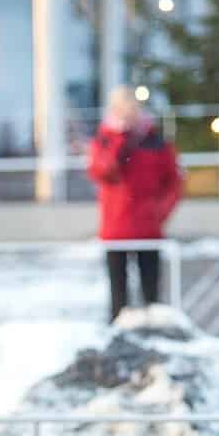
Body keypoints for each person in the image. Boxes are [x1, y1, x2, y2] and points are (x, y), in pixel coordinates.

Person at [87, 86, 183, 321]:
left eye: (131, 106)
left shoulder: (155, 140)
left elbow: (174, 181)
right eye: (121, 107)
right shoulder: (106, 139)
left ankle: (155, 341)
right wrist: (121, 139)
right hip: (115, 229)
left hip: (148, 228)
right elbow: (102, 171)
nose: (128, 112)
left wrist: (160, 212)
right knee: (118, 301)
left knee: (152, 298)